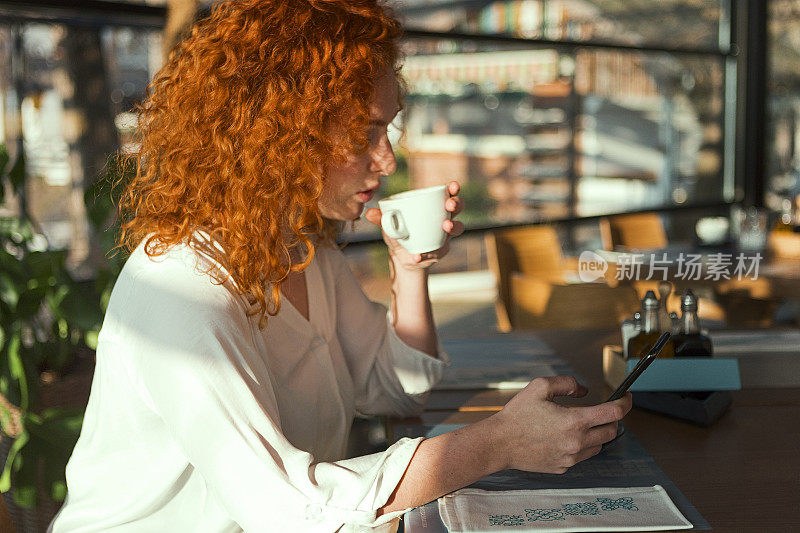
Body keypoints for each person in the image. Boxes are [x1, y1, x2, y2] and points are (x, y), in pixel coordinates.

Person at [49, 1, 631, 531]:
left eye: (388, 128)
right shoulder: (181, 289)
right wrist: (498, 444)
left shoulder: (300, 247)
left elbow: (393, 391)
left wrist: (409, 269)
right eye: (366, 133)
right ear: (280, 134)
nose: (388, 157)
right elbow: (288, 509)